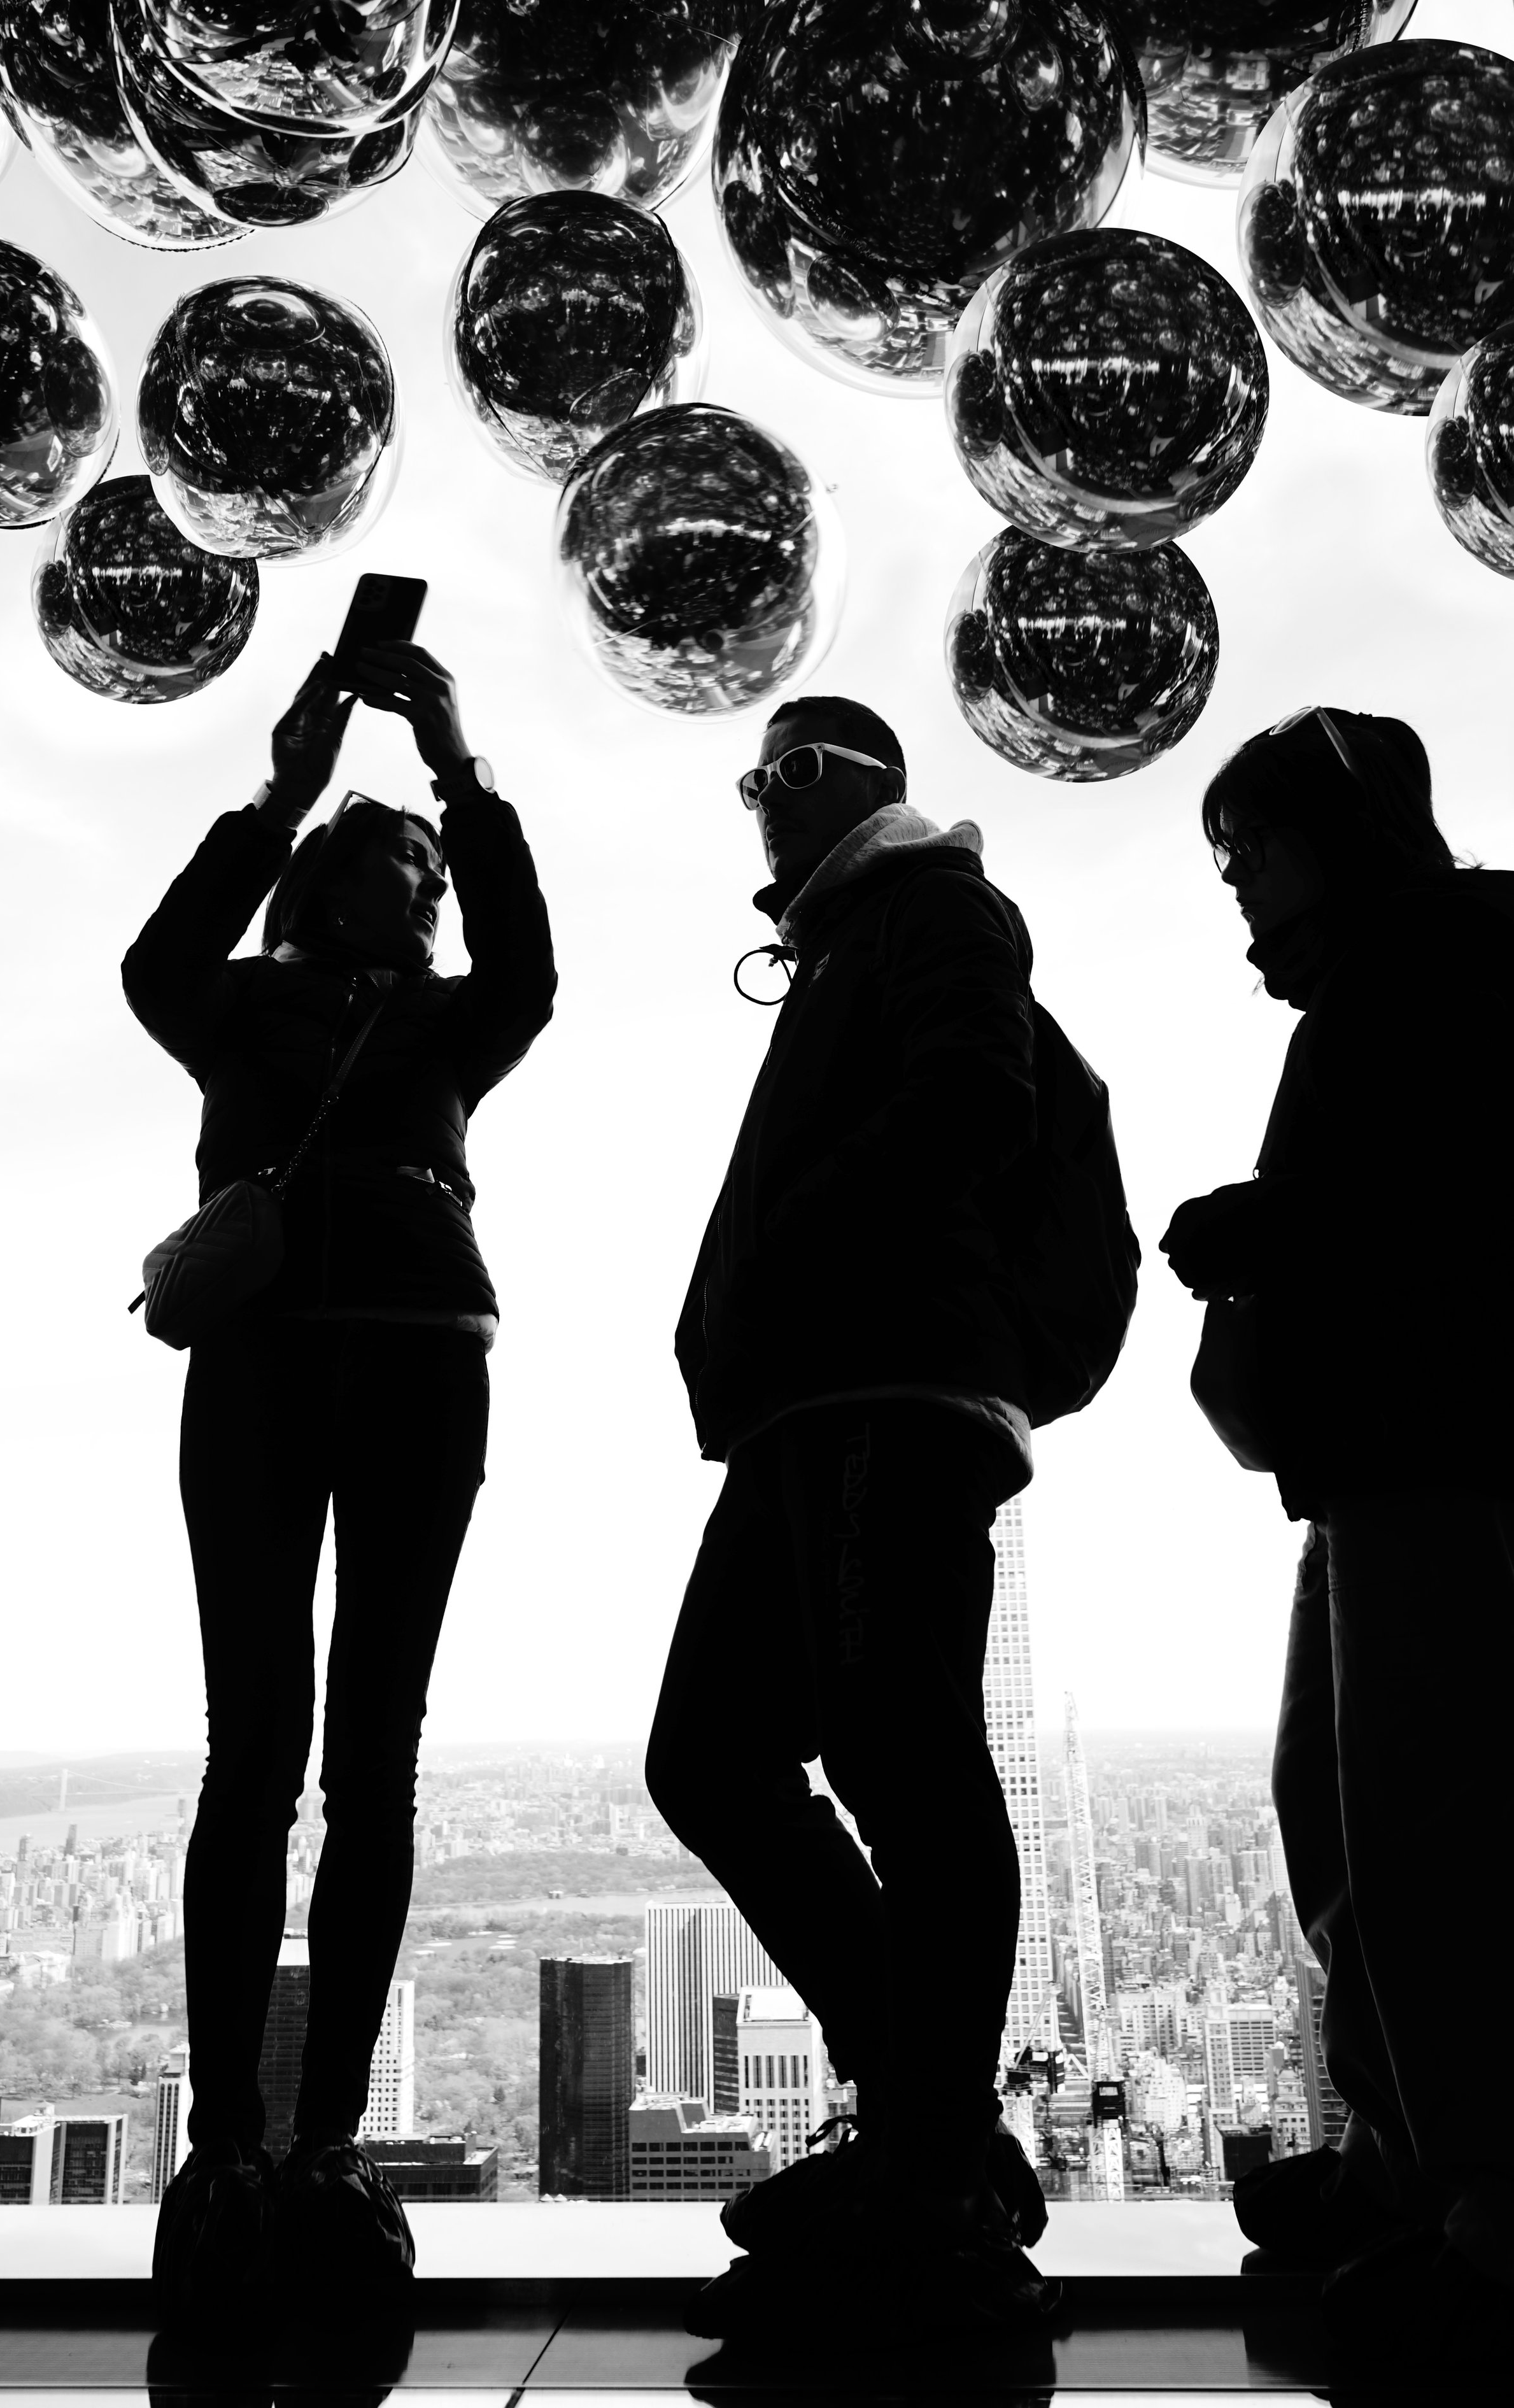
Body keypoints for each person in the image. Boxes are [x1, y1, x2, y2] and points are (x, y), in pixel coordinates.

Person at [122, 643, 555, 2318]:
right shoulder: (236, 998)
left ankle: (324, 2144)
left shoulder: (458, 1018)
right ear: (318, 880)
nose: (428, 881)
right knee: (257, 1751)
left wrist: (460, 762)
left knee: (377, 1762)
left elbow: (526, 959)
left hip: (427, 1353)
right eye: (402, 856)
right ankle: (223, 2142)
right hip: (256, 1361)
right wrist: (286, 784)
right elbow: (155, 955)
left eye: (434, 869)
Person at [646, 695, 1058, 2341]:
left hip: (883, 1384)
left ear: (840, 784)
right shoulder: (845, 943)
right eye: (751, 778)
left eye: (777, 772)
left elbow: (975, 1095)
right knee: (713, 1755)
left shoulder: (932, 906)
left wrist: (799, 1241)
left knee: (901, 1754)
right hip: (809, 1403)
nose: (755, 801)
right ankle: (930, 2129)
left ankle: (928, 2160)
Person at [1161, 705, 1514, 2356]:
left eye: (1253, 863)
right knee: (1347, 1812)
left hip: (1445, 1458)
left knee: (1429, 1837)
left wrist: (1265, 1229)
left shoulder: (1449, 961)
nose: (1243, 913)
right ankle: (1407, 2163)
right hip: (1377, 1463)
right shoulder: (1408, 970)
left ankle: (1489, 2216)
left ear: (1335, 834)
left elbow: (1458, 1202)